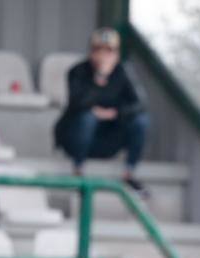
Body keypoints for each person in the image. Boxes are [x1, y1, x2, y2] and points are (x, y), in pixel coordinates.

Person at [54, 28, 149, 193]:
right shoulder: (77, 71)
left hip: (108, 138)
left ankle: (129, 174)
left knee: (141, 121)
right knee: (87, 118)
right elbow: (77, 102)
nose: (104, 55)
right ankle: (78, 172)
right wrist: (100, 77)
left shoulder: (123, 72)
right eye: (99, 50)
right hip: (76, 138)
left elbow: (140, 103)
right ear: (91, 51)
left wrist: (116, 113)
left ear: (117, 54)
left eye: (109, 51)